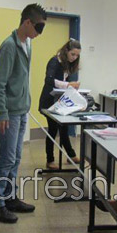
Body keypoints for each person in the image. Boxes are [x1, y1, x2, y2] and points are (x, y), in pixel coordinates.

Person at [0, 3, 47, 224]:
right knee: (7, 159)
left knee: (16, 158)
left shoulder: (27, 44)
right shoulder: (10, 46)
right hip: (10, 113)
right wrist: (1, 112)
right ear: (27, 22)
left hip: (21, 111)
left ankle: (9, 197)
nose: (40, 33)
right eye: (38, 27)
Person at [39, 39, 81, 169]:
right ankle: (50, 160)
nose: (74, 58)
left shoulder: (67, 64)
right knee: (53, 129)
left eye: (77, 55)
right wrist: (68, 84)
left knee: (63, 128)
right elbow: (49, 80)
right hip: (49, 101)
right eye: (73, 54)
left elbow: (64, 82)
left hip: (59, 102)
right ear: (66, 51)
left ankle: (71, 155)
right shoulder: (54, 61)